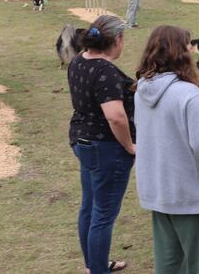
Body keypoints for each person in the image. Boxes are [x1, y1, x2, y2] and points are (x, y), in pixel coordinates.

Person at [135, 26, 199, 274]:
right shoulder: (189, 97)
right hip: (193, 199)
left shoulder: (141, 91)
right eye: (188, 46)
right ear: (181, 53)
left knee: (170, 267)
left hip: (160, 196)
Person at [68, 15, 136, 274]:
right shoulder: (105, 70)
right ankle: (97, 269)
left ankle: (93, 264)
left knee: (89, 206)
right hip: (106, 149)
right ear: (117, 39)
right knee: (103, 214)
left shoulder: (78, 61)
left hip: (83, 143)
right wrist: (130, 146)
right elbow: (115, 117)